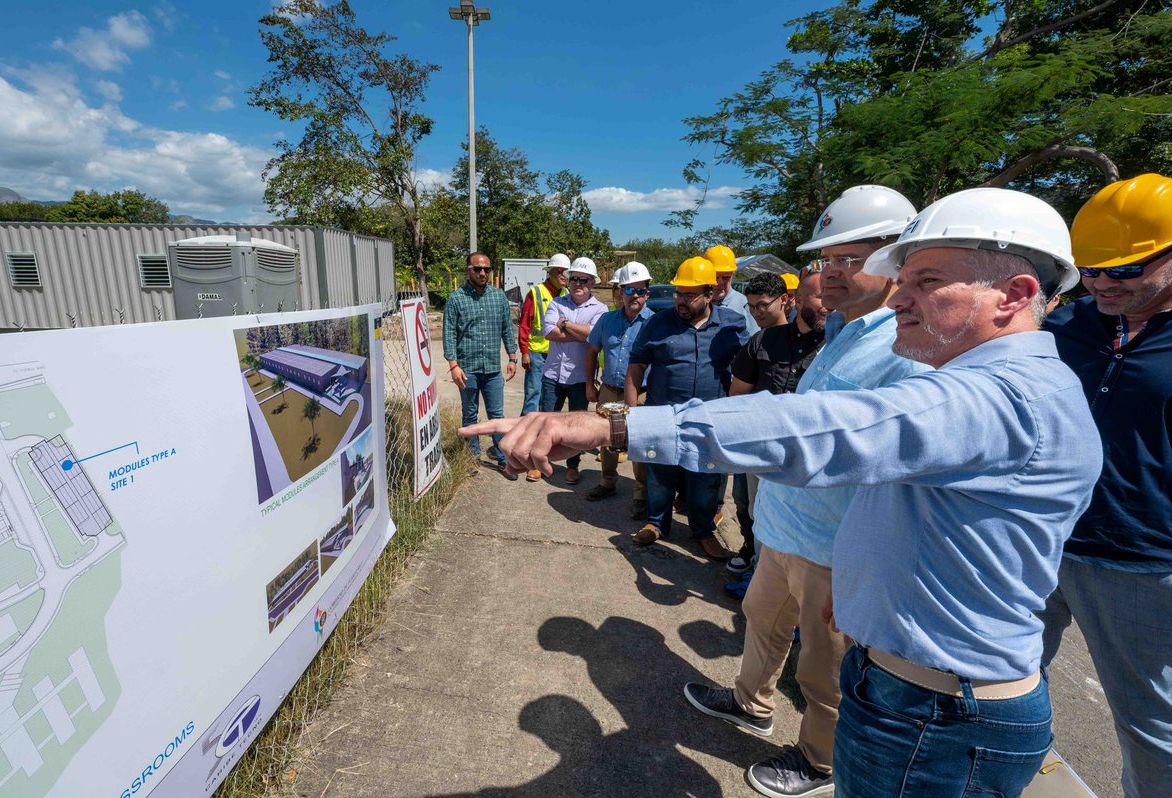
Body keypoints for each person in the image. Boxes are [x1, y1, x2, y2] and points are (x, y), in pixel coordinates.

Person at [463, 187, 1099, 798]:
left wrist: (612, 424)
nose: (901, 297)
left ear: (1015, 294)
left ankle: (810, 756)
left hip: (938, 712)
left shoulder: (1003, 397)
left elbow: (820, 429)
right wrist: (857, 578)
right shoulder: (956, 371)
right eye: (900, 278)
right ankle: (752, 702)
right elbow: (896, 493)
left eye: (926, 281)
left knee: (821, 687)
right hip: (914, 683)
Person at [688, 185, 928, 797]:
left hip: (837, 543)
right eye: (826, 260)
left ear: (897, 257)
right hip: (787, 528)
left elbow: (891, 463)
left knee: (824, 668)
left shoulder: (908, 345)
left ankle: (820, 761)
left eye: (851, 258)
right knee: (761, 619)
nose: (832, 273)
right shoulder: (849, 328)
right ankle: (750, 700)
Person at [1040, 173, 1172, 798]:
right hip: (1040, 535)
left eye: (1124, 271)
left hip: (1141, 562)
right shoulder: (1070, 326)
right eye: (1089, 270)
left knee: (1151, 727)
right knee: (995, 675)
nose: (1101, 285)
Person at [624, 256, 745, 561]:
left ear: (710, 293)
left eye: (690, 295)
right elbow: (637, 366)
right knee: (660, 474)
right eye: (679, 293)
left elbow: (748, 368)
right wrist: (630, 414)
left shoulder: (731, 324)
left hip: (709, 418)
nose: (682, 300)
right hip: (662, 415)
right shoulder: (657, 323)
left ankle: (702, 531)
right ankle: (656, 524)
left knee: (705, 479)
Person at [723, 269, 826, 575]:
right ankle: (756, 561)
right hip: (761, 447)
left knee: (797, 518)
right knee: (749, 505)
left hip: (807, 452)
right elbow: (737, 393)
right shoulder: (763, 341)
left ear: (785, 300)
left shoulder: (834, 346)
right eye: (751, 307)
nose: (755, 312)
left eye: (761, 306)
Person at [584, 261, 654, 515]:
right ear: (620, 292)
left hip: (643, 394)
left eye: (640, 290)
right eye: (629, 290)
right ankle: (608, 481)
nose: (634, 296)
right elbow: (592, 352)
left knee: (639, 444)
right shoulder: (607, 320)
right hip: (609, 390)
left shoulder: (655, 323)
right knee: (606, 439)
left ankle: (641, 494)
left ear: (648, 293)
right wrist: (590, 383)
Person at [443, 252, 518, 478]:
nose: (483, 273)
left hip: (493, 369)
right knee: (470, 415)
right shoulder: (456, 299)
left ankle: (504, 460)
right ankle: (472, 459)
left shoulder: (498, 297)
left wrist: (512, 357)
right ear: (468, 270)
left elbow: (507, 328)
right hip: (467, 369)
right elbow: (449, 334)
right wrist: (454, 365)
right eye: (478, 269)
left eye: (486, 269)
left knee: (497, 416)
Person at [540, 256, 608, 485]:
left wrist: (565, 324)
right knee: (546, 419)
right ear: (568, 281)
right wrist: (582, 334)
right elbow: (548, 333)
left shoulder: (601, 309)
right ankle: (541, 461)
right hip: (552, 375)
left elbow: (594, 336)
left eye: (584, 280)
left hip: (580, 378)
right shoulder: (557, 303)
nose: (579, 283)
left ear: (592, 283)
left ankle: (572, 466)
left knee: (576, 427)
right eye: (575, 279)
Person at [518, 255, 569, 426]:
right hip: (537, 353)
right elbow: (524, 324)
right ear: (552, 272)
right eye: (562, 271)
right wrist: (524, 352)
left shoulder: (566, 293)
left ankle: (541, 431)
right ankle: (525, 433)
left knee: (549, 398)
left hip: (556, 355)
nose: (565, 276)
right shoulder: (536, 293)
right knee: (533, 395)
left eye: (568, 272)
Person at [705, 244, 759, 338]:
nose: (720, 282)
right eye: (715, 277)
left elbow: (754, 341)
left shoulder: (745, 305)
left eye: (726, 277)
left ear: (733, 275)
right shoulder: (696, 303)